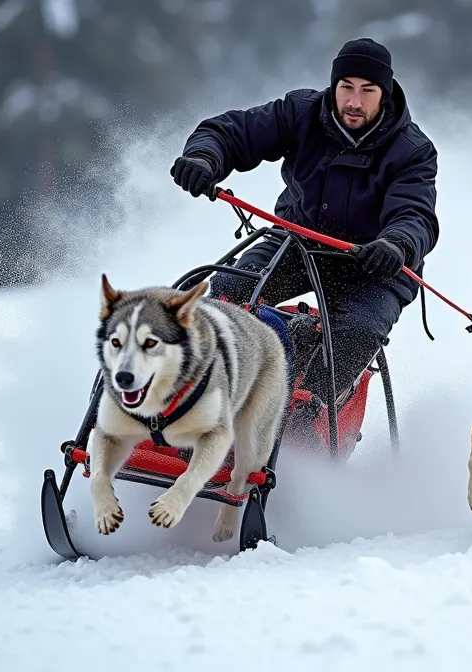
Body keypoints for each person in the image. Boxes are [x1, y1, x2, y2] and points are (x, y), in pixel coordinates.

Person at [169, 37, 439, 439]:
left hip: (374, 264)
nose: (354, 101)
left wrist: (396, 244)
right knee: (228, 292)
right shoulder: (301, 112)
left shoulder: (414, 150)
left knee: (357, 334)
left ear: (384, 95)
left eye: (368, 91)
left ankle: (302, 422)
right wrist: (204, 158)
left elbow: (415, 214)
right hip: (298, 243)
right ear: (334, 86)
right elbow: (230, 132)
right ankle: (201, 400)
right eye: (346, 87)